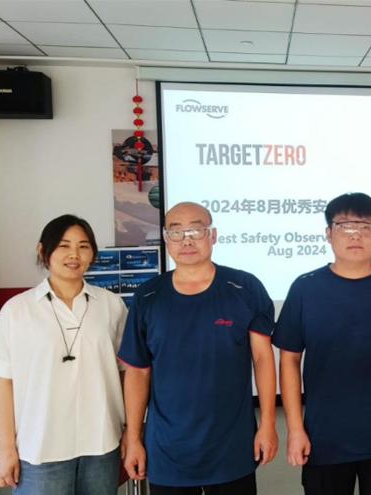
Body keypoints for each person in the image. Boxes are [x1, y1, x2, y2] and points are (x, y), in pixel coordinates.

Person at [274, 192, 371, 495]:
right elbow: (289, 360)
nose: (355, 235)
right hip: (324, 437)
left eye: (364, 226)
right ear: (328, 233)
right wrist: (295, 429)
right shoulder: (306, 288)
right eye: (345, 226)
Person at [119, 201, 278, 494]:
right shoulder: (148, 297)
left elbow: (262, 358)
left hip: (231, 445)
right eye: (176, 232)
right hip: (168, 449)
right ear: (166, 239)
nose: (186, 240)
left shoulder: (245, 287)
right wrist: (134, 437)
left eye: (196, 230)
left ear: (212, 235)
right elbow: (138, 372)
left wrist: (268, 424)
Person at [0, 214, 127, 494]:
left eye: (83, 246)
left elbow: (126, 375)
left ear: (93, 254)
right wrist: (6, 448)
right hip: (40, 449)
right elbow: (5, 383)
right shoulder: (17, 310)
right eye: (64, 246)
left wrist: (131, 433)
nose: (74, 254)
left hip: (101, 444)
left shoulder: (112, 306)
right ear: (43, 251)